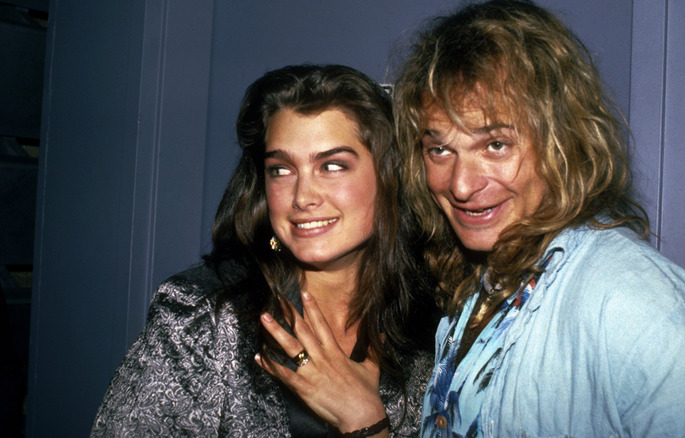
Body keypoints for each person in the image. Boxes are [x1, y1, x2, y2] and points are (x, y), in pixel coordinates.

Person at [389, 0, 685, 436]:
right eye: (440, 150)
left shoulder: (636, 307)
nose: (459, 184)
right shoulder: (481, 279)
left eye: (495, 145)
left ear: (561, 141)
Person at [91, 64, 435, 437]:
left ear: (390, 177)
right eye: (281, 170)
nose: (302, 197)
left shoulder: (429, 328)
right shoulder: (203, 316)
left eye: (332, 166)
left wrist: (367, 421)